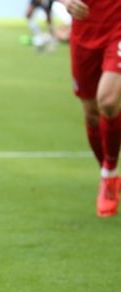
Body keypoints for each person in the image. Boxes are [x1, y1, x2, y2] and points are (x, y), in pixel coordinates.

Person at [59, 0, 121, 217]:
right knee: (92, 114)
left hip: (118, 29)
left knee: (108, 101)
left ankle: (109, 173)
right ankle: (107, 173)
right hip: (84, 32)